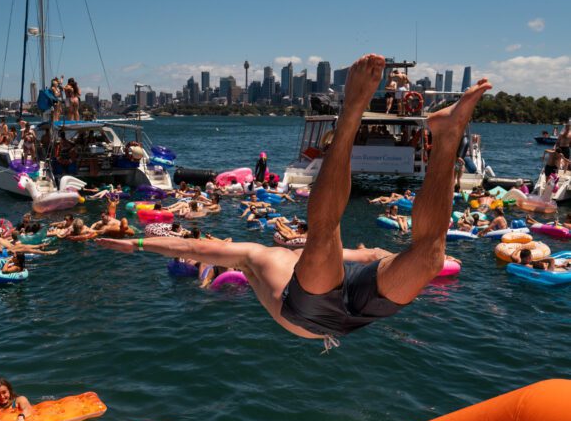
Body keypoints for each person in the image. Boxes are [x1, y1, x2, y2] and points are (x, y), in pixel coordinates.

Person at [96, 55, 491, 347]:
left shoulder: (262, 252)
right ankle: (398, 121)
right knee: (347, 244)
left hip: (323, 306)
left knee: (409, 253)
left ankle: (426, 127)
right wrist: (137, 243)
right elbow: (194, 246)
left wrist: (138, 242)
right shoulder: (252, 254)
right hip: (328, 313)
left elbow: (368, 256)